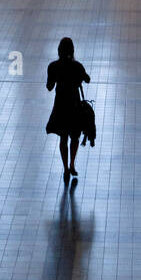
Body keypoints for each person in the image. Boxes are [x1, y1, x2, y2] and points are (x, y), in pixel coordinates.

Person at [46, 37, 90, 183]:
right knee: (75, 136)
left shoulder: (53, 66)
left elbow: (49, 87)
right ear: (72, 50)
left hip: (60, 106)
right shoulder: (77, 66)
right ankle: (72, 164)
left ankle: (65, 167)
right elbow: (87, 79)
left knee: (63, 138)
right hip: (74, 105)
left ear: (59, 50)